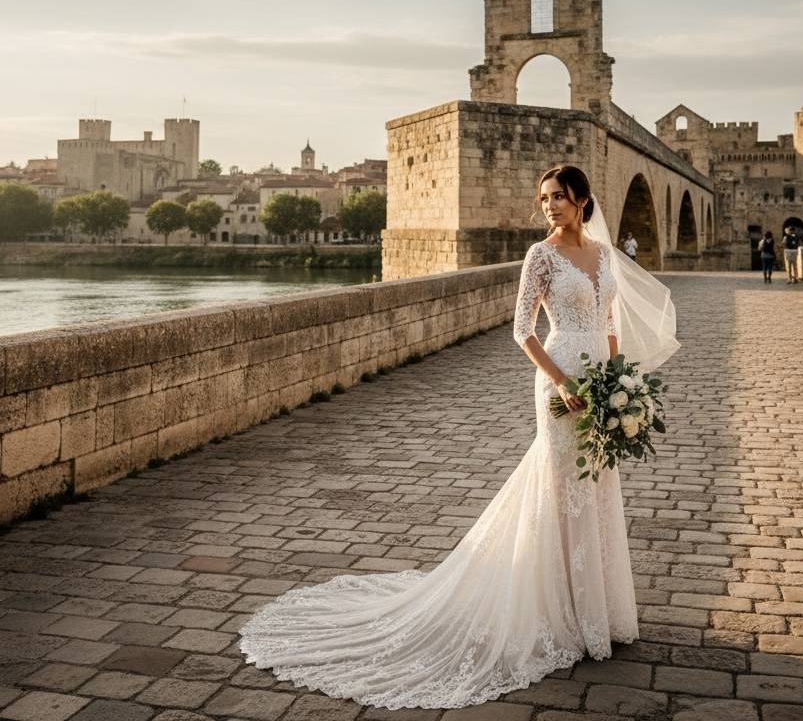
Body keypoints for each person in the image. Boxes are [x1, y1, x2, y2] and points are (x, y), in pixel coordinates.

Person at [239, 165, 680, 710]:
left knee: (598, 490)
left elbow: (611, 324)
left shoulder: (605, 255)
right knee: (561, 487)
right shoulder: (539, 257)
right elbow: (523, 331)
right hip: (560, 378)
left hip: (602, 380)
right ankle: (557, 612)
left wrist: (618, 380)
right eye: (543, 198)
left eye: (559, 197)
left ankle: (600, 612)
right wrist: (564, 384)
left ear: (584, 200)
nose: (549, 206)